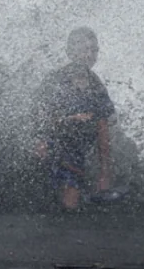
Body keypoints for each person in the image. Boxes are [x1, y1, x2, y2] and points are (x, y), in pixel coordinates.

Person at [33, 27, 115, 210]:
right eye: (84, 49)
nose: (90, 55)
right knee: (62, 201)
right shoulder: (55, 81)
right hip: (51, 145)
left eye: (94, 50)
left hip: (75, 153)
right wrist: (70, 119)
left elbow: (103, 131)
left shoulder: (96, 86)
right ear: (70, 52)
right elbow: (39, 119)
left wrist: (104, 173)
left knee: (71, 205)